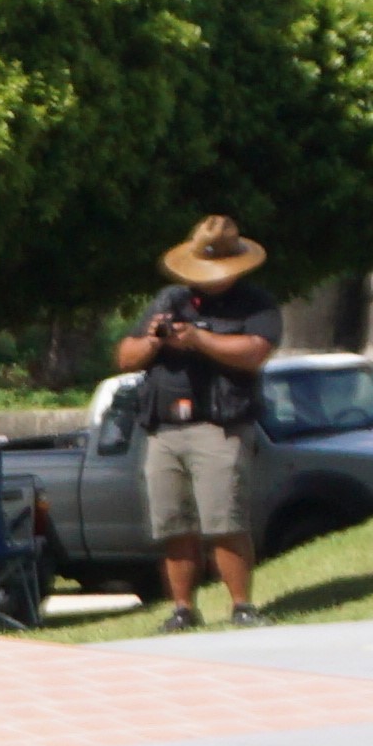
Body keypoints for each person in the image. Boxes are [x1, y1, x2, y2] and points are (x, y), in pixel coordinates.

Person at [116, 215, 280, 632]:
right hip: (165, 428)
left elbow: (255, 351)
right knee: (173, 524)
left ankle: (242, 605)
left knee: (224, 521)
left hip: (218, 426)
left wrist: (199, 340)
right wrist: (153, 340)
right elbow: (126, 357)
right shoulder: (170, 299)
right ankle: (182, 609)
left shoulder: (256, 303)